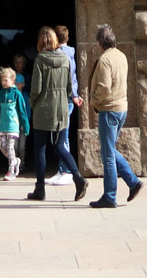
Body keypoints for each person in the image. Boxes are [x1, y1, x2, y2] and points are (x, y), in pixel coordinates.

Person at [26, 28, 87, 202]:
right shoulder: (65, 58)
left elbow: (36, 88)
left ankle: (40, 189)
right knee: (60, 145)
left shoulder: (40, 60)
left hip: (43, 109)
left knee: (40, 148)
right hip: (61, 108)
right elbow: (70, 87)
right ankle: (77, 177)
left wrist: (32, 102)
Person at [87, 25, 141, 209]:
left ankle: (110, 195)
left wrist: (93, 101)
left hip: (109, 109)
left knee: (108, 154)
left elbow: (104, 87)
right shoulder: (121, 56)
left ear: (100, 42)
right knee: (108, 150)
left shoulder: (105, 60)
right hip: (121, 107)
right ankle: (133, 182)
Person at [45, 24, 82, 186]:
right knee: (59, 135)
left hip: (63, 99)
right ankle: (62, 169)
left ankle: (67, 171)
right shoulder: (69, 53)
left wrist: (73, 95)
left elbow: (68, 77)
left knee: (62, 136)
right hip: (64, 98)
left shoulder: (62, 55)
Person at [0, 66, 30, 177]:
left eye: (6, 80)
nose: (3, 82)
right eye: (2, 80)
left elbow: (22, 111)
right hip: (2, 126)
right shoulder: (0, 94)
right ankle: (16, 161)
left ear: (12, 80)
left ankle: (11, 171)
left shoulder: (17, 94)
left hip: (13, 126)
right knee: (2, 147)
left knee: (10, 147)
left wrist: (25, 125)